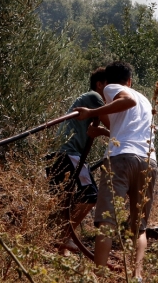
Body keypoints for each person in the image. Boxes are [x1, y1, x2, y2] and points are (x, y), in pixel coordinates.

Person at [76, 61, 158, 281]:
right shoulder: (146, 99)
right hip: (148, 162)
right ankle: (137, 276)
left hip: (121, 161)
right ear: (130, 80)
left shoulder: (113, 88)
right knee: (139, 226)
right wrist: (102, 131)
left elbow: (127, 101)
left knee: (107, 221)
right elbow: (123, 128)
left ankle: (99, 276)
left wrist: (91, 111)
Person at [46, 67, 110, 255]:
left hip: (57, 155)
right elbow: (111, 122)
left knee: (64, 204)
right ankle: (63, 237)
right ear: (100, 84)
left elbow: (97, 128)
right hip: (68, 154)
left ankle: (58, 250)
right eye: (110, 85)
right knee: (90, 196)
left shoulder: (90, 102)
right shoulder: (94, 97)